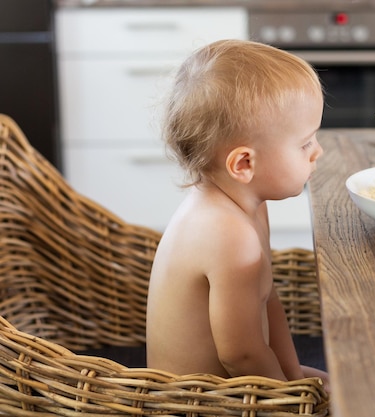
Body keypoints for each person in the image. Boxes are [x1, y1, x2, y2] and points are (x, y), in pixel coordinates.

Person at [145, 39, 329, 390]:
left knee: (338, 385)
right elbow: (240, 355)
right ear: (244, 163)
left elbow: (267, 300)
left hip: (238, 383)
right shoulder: (227, 235)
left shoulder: (249, 208)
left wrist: (293, 376)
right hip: (198, 402)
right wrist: (288, 405)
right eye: (305, 142)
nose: (317, 151)